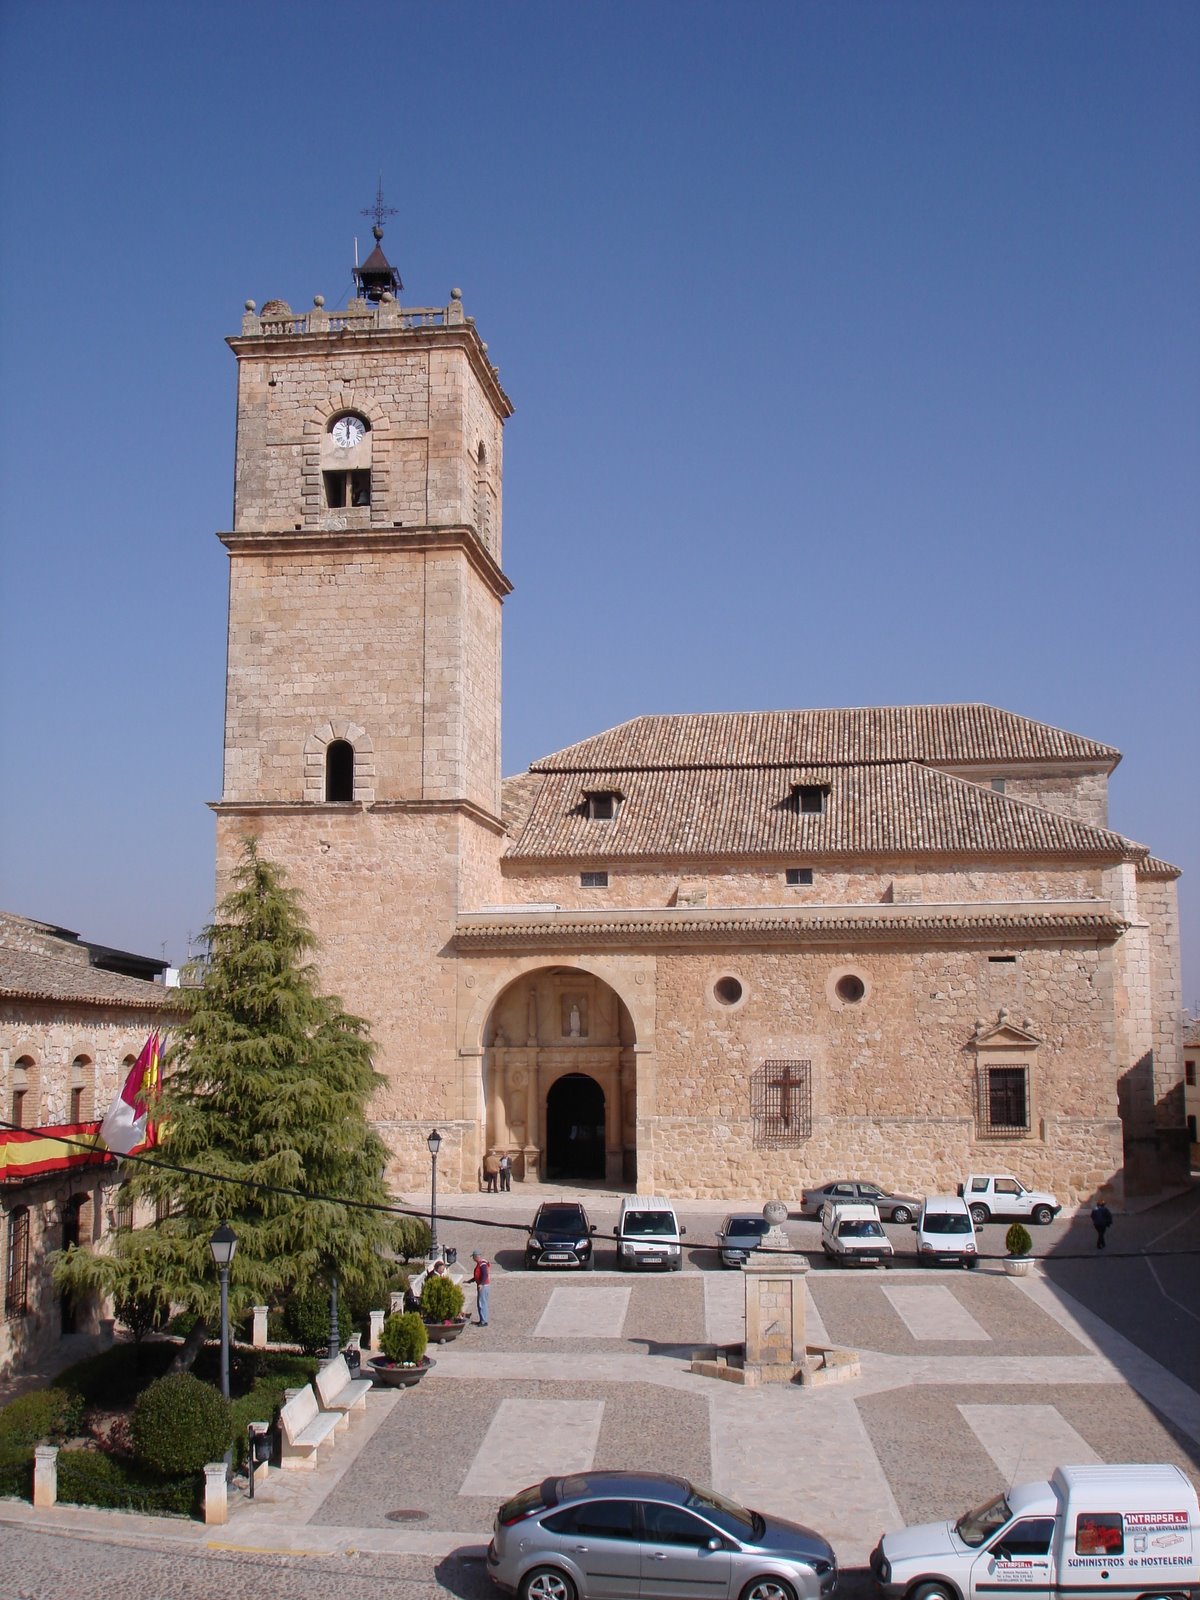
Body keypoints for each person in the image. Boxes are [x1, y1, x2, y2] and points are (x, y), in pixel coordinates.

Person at [472, 1249, 491, 1325]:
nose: (473, 1258)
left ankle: (483, 1321)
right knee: (482, 1303)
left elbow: (485, 1275)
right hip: (482, 1285)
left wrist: (481, 1284)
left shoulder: (482, 1264)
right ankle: (483, 1320)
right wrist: (470, 1280)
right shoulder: (480, 1263)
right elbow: (478, 1275)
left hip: (483, 1286)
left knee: (482, 1303)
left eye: (473, 1257)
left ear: (477, 1256)